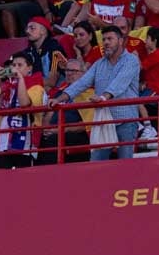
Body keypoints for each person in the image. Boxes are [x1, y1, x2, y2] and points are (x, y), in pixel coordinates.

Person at [53, 26, 141, 160]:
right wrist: (60, 99)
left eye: (110, 39)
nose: (105, 42)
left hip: (126, 120)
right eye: (104, 39)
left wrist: (102, 97)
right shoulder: (99, 63)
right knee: (96, 163)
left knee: (125, 164)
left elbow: (119, 84)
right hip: (103, 120)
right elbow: (82, 83)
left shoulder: (131, 60)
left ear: (121, 41)